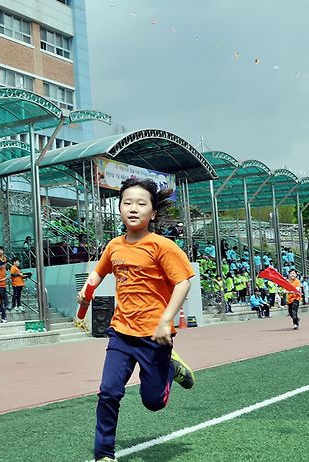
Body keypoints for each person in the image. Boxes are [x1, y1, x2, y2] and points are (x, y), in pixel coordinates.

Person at [76, 178, 195, 462]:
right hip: (121, 332)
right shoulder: (114, 246)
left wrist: (165, 320)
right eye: (127, 203)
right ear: (119, 208)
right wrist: (86, 291)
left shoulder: (162, 246)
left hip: (154, 335)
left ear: (153, 213)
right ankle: (104, 454)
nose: (133, 208)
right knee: (108, 392)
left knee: (153, 402)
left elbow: (183, 283)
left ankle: (170, 368)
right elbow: (98, 272)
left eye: (141, 204)